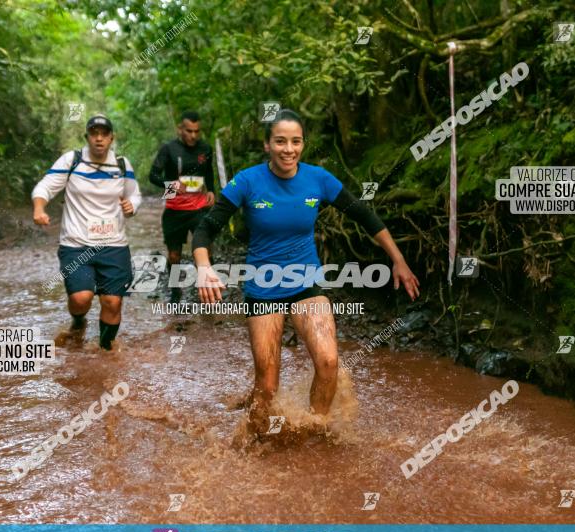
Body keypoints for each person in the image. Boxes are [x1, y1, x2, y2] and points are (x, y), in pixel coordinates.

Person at [192, 109, 420, 439]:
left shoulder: (318, 179)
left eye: (295, 142)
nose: (289, 149)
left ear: (303, 144)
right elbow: (205, 230)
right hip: (264, 287)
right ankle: (252, 445)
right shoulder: (247, 181)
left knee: (328, 363)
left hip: (305, 283)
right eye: (280, 141)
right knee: (268, 386)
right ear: (267, 145)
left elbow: (364, 216)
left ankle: (313, 434)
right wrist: (203, 268)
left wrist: (398, 260)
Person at [31, 114, 142, 350]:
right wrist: (39, 208)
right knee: (81, 299)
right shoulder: (72, 160)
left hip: (114, 244)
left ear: (112, 138)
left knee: (112, 301)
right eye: (94, 134)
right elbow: (45, 186)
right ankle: (78, 321)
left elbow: (134, 193)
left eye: (104, 134)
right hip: (76, 243)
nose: (99, 139)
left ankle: (105, 349)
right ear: (87, 137)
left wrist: (132, 205)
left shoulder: (122, 165)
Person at [149, 111, 216, 302]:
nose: (193, 135)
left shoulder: (205, 149)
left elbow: (208, 172)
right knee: (174, 255)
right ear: (180, 129)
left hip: (199, 209)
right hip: (175, 210)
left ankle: (206, 291)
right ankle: (176, 293)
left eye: (197, 131)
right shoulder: (168, 149)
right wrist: (170, 186)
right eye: (189, 131)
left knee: (204, 250)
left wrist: (210, 190)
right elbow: (153, 175)